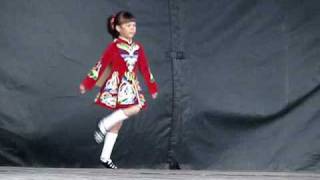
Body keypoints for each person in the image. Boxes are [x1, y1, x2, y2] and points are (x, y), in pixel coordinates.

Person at [79, 11, 158, 169]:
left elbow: (144, 67)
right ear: (118, 28)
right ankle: (104, 124)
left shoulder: (138, 47)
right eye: (128, 25)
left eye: (134, 25)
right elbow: (100, 65)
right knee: (135, 108)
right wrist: (87, 83)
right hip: (118, 85)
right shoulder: (113, 47)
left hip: (131, 84)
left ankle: (105, 157)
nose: (132, 28)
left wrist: (152, 86)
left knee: (118, 123)